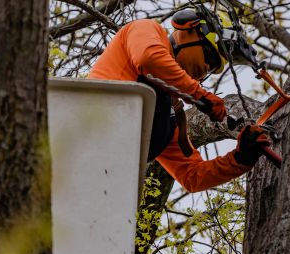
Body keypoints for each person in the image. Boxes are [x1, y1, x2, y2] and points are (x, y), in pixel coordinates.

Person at [89, 10, 270, 192]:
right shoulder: (146, 28)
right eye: (208, 55)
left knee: (164, 124)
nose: (205, 68)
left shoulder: (167, 116)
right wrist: (198, 94)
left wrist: (241, 158)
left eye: (212, 68)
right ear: (188, 30)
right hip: (89, 122)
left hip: (102, 171)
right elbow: (148, 59)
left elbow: (192, 176)